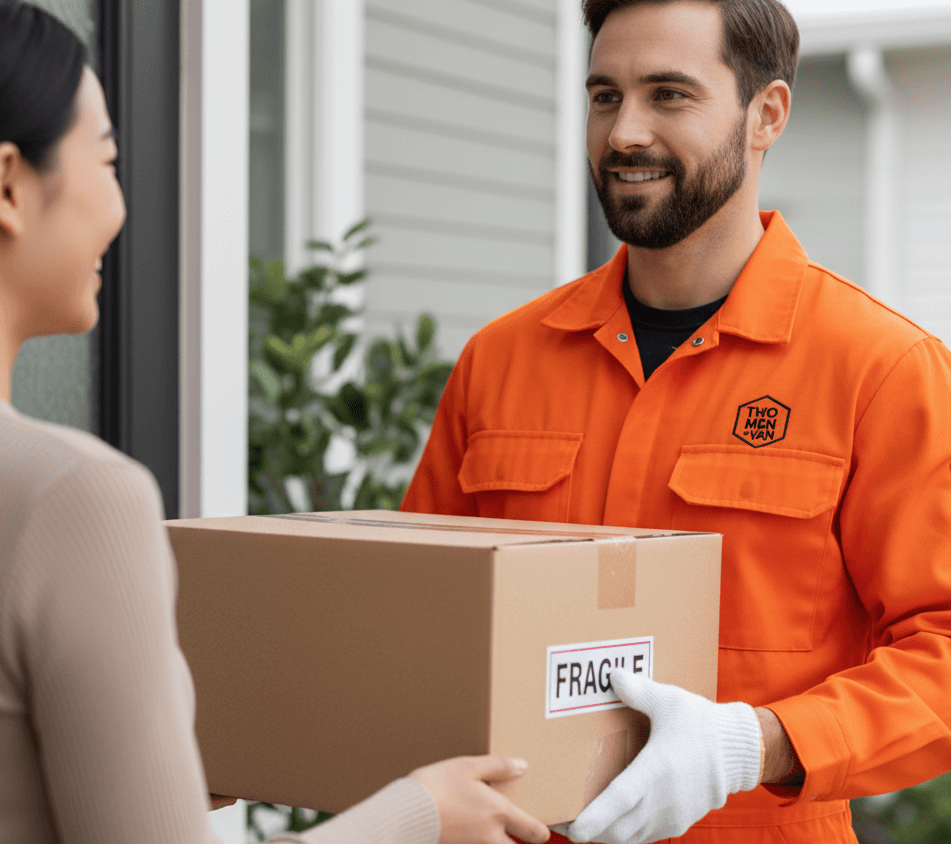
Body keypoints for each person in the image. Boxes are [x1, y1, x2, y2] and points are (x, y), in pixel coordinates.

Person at [0, 3, 552, 844]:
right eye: (107, 158)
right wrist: (421, 816)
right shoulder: (73, 500)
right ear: (9, 185)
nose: (118, 201)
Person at [401, 0, 951, 842]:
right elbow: (419, 617)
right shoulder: (500, 359)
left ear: (765, 114)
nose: (624, 132)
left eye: (668, 95)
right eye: (603, 95)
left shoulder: (879, 368)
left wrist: (752, 745)